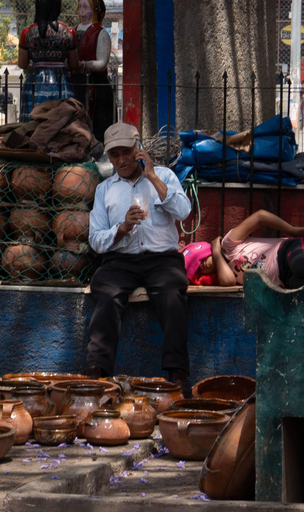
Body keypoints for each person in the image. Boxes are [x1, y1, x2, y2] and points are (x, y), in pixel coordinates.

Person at [86, 122, 193, 396]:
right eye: (114, 155)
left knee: (172, 292)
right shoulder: (105, 189)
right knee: (106, 294)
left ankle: (177, 374)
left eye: (126, 152)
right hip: (121, 261)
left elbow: (183, 212)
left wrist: (153, 177)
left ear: (138, 149)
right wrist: (121, 228)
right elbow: (96, 240)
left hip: (162, 259)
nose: (121, 160)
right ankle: (97, 374)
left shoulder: (165, 176)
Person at [188, 209, 304, 289]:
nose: (202, 266)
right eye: (199, 269)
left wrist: (293, 231)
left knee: (299, 265)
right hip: (284, 279)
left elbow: (260, 216)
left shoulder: (228, 244)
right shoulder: (224, 274)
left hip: (288, 251)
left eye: (201, 259)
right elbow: (227, 281)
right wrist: (215, 254)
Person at [18, 0, 81, 122]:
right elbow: (74, 64)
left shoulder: (27, 33)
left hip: (35, 84)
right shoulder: (68, 33)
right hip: (61, 83)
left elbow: (22, 64)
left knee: (33, 124)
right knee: (61, 122)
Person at [72, 0, 114, 143]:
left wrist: (82, 64)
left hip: (96, 87)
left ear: (95, 10)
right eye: (80, 7)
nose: (81, 12)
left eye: (86, 8)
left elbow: (102, 63)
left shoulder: (101, 33)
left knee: (97, 126)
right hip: (75, 84)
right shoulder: (72, 31)